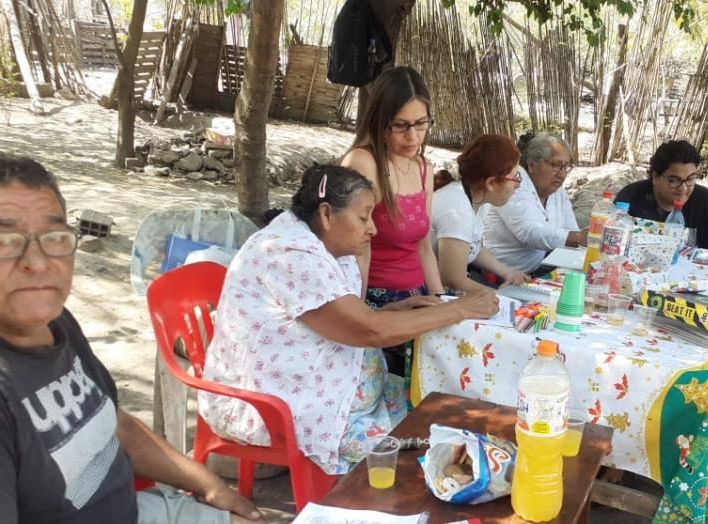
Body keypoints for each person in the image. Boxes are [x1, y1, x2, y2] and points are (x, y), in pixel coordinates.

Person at [0, 154, 275, 524]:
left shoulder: (56, 323)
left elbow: (115, 422)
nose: (36, 262)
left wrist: (204, 483)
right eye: (6, 241)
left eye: (54, 236)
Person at [200, 165, 498, 476]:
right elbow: (370, 330)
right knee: (420, 445)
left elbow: (342, 320)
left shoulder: (323, 244)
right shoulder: (291, 254)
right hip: (275, 404)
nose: (373, 229)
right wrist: (461, 308)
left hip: (328, 391)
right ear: (327, 214)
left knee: (432, 403)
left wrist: (397, 310)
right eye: (363, 217)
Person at [342, 66, 443, 306]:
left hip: (419, 297)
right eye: (400, 125)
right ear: (380, 121)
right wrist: (361, 316)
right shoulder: (363, 162)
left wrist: (441, 301)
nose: (413, 136)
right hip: (376, 299)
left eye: (421, 123)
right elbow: (356, 251)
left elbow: (424, 248)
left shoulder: (423, 169)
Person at [432, 134, 530, 293]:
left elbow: (473, 246)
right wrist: (501, 297)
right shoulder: (457, 210)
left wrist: (508, 272)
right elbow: (452, 279)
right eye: (514, 178)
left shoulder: (476, 199)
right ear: (491, 183)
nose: (517, 185)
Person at [483, 131, 586, 274]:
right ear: (532, 164)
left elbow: (571, 231)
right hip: (502, 276)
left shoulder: (557, 191)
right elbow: (529, 232)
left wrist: (584, 240)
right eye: (556, 165)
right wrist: (578, 238)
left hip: (540, 269)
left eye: (566, 167)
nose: (562, 174)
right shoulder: (514, 183)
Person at [615, 139, 708, 250]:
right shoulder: (629, 198)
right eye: (674, 180)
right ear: (655, 177)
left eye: (690, 179)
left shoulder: (707, 203)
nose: (683, 188)